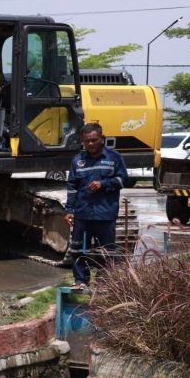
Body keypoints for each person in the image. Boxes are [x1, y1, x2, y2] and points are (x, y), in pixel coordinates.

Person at [64, 123, 128, 288]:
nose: (90, 144)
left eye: (94, 140)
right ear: (83, 141)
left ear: (102, 139)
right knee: (78, 249)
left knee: (106, 251)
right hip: (82, 213)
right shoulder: (77, 161)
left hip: (105, 213)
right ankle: (80, 281)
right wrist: (69, 210)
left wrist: (103, 184)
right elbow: (72, 187)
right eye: (87, 141)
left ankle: (103, 283)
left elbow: (123, 180)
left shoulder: (114, 158)